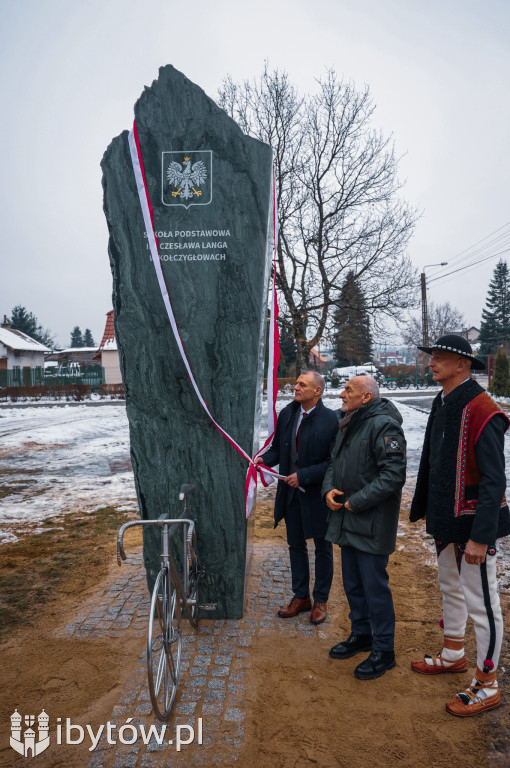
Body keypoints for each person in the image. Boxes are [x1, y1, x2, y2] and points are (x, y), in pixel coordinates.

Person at [409, 334, 510, 716]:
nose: (431, 362)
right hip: (447, 520)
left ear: (462, 364)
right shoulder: (445, 400)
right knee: (450, 587)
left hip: (472, 526)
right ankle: (453, 652)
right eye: (431, 357)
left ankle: (487, 683)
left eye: (439, 357)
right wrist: (429, 512)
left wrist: (481, 538)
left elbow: (494, 481)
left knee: (483, 604)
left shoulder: (483, 408)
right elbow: (434, 463)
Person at [322, 375, 406, 679]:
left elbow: (393, 475)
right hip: (346, 520)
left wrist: (355, 502)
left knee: (374, 589)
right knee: (353, 585)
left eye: (349, 390)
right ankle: (362, 635)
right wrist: (328, 490)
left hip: (370, 523)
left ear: (366, 397)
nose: (342, 394)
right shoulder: (350, 421)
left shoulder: (384, 426)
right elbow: (334, 463)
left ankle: (384, 651)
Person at [255, 370, 339, 624]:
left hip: (318, 496)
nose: (295, 388)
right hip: (290, 496)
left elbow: (334, 463)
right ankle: (301, 597)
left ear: (318, 391)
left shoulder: (331, 420)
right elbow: (280, 449)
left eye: (302, 385)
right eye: (296, 384)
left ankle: (321, 600)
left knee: (323, 548)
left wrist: (304, 475)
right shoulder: (288, 413)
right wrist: (264, 459)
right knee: (295, 546)